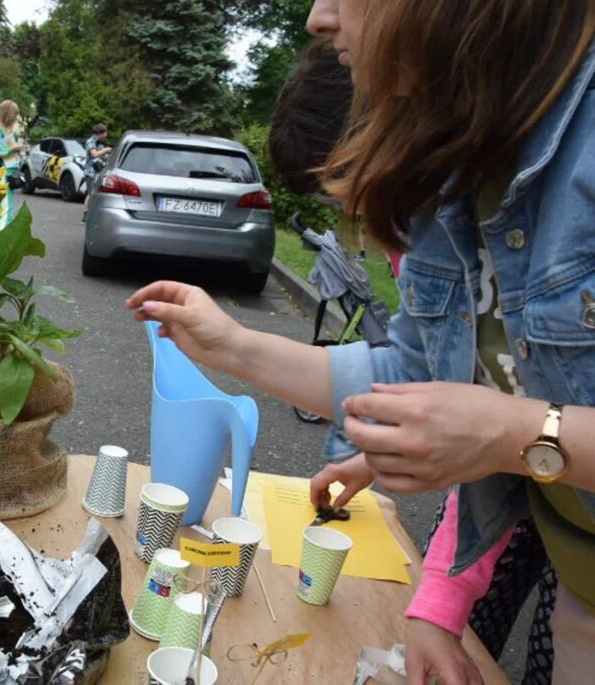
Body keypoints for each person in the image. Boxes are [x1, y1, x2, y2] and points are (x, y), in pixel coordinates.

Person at [129, 1, 595, 683]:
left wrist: (519, 431)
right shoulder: (460, 173)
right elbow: (405, 372)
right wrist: (231, 345)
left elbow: (498, 418)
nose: (318, 17)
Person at [270, 35, 557, 683]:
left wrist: (440, 601)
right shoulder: (430, 232)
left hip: (559, 493)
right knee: (448, 629)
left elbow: (490, 426)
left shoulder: (488, 228)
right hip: (535, 474)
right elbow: (477, 420)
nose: (351, 216)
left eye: (345, 189)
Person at [0, 100, 24, 234]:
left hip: (5, 175)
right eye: (14, 115)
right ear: (8, 115)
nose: (14, 119)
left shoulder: (0, 129)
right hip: (0, 174)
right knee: (6, 211)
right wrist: (13, 149)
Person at [81, 123, 112, 223]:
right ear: (100, 132)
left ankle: (91, 214)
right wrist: (106, 150)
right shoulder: (90, 141)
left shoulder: (100, 143)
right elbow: (94, 154)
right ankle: (86, 214)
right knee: (91, 193)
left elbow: (101, 156)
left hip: (98, 172)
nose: (106, 135)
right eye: (105, 132)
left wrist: (107, 155)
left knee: (94, 193)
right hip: (90, 171)